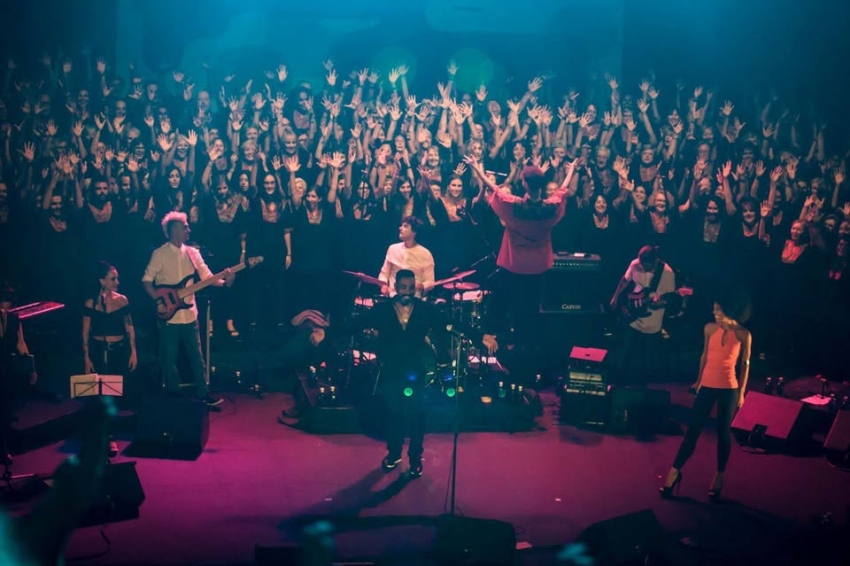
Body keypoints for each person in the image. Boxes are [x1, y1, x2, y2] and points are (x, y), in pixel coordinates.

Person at [326, 269, 498, 478]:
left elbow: (452, 323)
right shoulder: (382, 310)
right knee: (394, 413)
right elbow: (353, 325)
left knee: (418, 415)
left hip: (416, 370)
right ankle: (394, 454)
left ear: (415, 287)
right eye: (402, 287)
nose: (406, 292)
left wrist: (481, 336)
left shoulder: (426, 310)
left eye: (410, 287)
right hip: (391, 369)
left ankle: (415, 459)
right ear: (395, 287)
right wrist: (324, 333)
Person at [464, 156, 576, 377]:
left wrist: (477, 168)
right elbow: (563, 189)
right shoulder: (550, 208)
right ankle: (528, 358)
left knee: (510, 310)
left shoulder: (514, 207)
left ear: (524, 184)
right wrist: (570, 170)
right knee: (531, 315)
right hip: (537, 269)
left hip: (514, 266)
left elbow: (494, 189)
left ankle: (508, 355)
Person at [660, 291, 751, 501]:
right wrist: (699, 380)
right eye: (714, 309)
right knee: (693, 431)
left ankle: (719, 475)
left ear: (730, 309)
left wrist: (742, 393)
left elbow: (745, 364)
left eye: (718, 309)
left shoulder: (743, 334)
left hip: (729, 387)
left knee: (723, 433)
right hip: (708, 385)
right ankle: (674, 472)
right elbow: (705, 355)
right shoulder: (709, 328)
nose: (714, 312)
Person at [142, 212, 234, 407]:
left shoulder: (194, 253)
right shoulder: (159, 254)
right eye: (185, 227)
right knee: (169, 358)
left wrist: (226, 281)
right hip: (169, 317)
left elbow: (207, 277)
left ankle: (204, 392)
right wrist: (159, 301)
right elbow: (147, 281)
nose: (188, 230)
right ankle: (174, 394)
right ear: (175, 230)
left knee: (197, 357)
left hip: (190, 314)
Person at [82, 262, 137, 456]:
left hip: (118, 351)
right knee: (100, 395)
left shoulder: (122, 300)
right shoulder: (92, 302)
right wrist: (86, 357)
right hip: (99, 350)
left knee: (114, 393)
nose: (117, 282)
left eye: (117, 278)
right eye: (113, 278)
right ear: (102, 281)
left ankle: (111, 432)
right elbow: (86, 331)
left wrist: (133, 351)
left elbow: (129, 326)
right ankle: (105, 435)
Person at [609, 245, 677, 384]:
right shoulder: (635, 264)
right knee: (623, 351)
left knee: (647, 359)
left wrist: (658, 304)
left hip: (652, 320)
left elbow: (669, 300)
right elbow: (625, 280)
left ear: (656, 261)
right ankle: (617, 382)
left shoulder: (668, 273)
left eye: (648, 267)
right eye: (642, 265)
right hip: (632, 314)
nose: (644, 269)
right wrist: (615, 297)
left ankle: (642, 388)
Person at [0, 283, 35, 466]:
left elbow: (21, 344)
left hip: (5, 367)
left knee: (5, 411)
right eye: (2, 307)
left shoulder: (14, 319)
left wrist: (31, 368)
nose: (4, 310)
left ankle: (3, 448)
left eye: (7, 307)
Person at [378, 216, 436, 297]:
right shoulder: (392, 249)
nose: (400, 228)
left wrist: (415, 286)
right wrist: (383, 285)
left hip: (414, 298)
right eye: (401, 225)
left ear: (414, 232)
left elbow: (430, 282)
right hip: (393, 296)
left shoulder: (425, 254)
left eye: (405, 226)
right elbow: (384, 274)